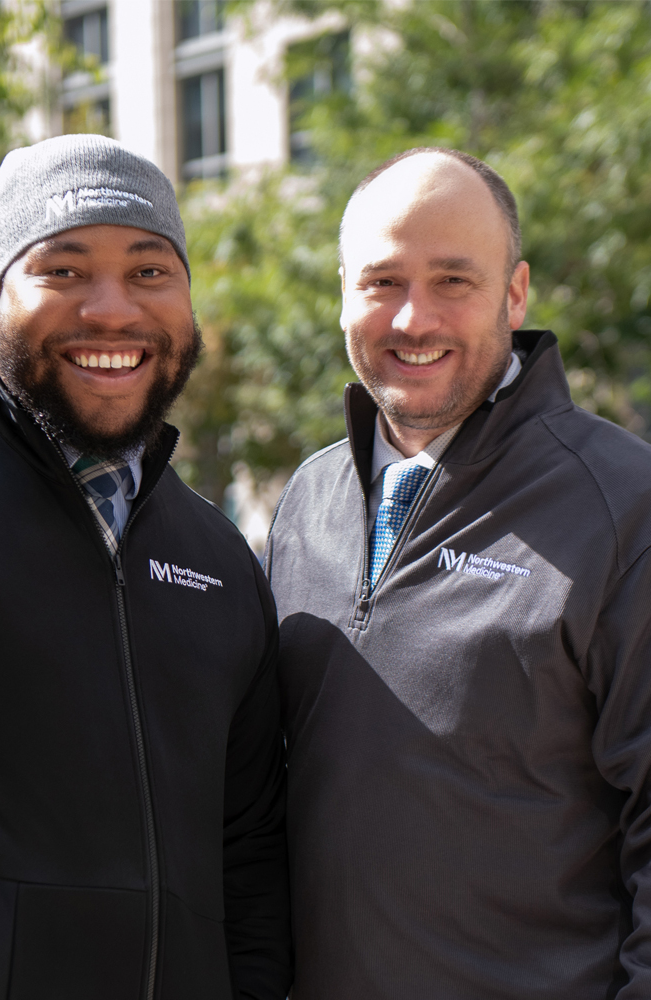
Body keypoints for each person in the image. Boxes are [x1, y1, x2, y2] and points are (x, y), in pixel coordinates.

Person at [0, 134, 291, 1000]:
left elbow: (249, 851)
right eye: (62, 270)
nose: (112, 310)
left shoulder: (218, 559)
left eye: (150, 271)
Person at [265, 146, 651, 998]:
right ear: (342, 294)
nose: (413, 320)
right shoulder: (306, 504)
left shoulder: (625, 508)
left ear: (514, 293)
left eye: (452, 281)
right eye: (381, 282)